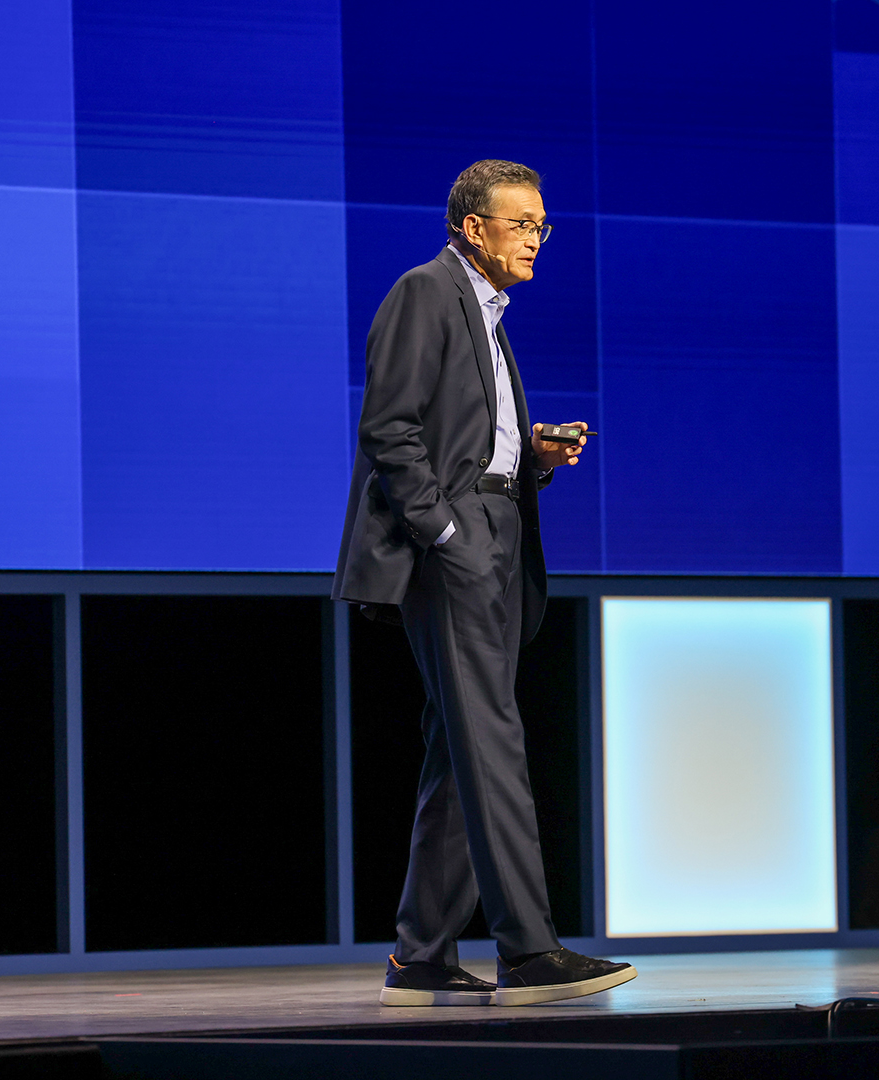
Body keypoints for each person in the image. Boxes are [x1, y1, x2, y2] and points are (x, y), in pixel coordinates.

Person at [332, 160, 637, 1007]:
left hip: (500, 530)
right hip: (455, 546)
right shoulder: (426, 291)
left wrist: (529, 452)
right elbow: (389, 427)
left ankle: (419, 957)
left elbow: (467, 431)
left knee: (459, 750)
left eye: (543, 225)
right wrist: (445, 530)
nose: (537, 238)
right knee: (492, 742)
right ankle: (529, 952)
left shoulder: (488, 313)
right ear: (474, 227)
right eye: (522, 224)